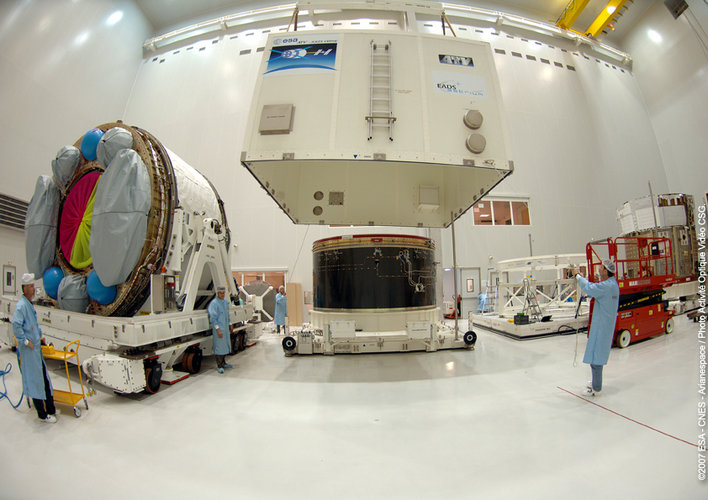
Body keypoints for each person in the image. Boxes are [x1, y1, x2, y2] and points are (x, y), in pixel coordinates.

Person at [12, 273, 57, 423]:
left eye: (33, 286)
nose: (33, 289)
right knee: (35, 381)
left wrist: (40, 337)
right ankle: (42, 415)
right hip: (29, 351)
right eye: (31, 286)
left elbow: (33, 326)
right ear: (24, 289)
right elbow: (16, 326)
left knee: (44, 379)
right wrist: (25, 342)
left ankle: (51, 409)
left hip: (36, 349)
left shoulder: (29, 304)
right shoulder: (21, 306)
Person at [574, 259, 620, 396]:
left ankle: (596, 388)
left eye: (601, 268)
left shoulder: (607, 287)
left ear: (606, 270)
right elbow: (595, 290)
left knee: (596, 359)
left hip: (602, 327)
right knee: (596, 356)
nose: (599, 270)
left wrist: (577, 276)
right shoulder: (612, 285)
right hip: (604, 325)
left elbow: (590, 288)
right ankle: (595, 383)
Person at [207, 286, 234, 374]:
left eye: (223, 293)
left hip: (225, 328)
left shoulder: (225, 303)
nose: (222, 294)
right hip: (219, 328)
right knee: (219, 347)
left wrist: (230, 325)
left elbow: (227, 316)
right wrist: (218, 329)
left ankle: (224, 363)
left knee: (225, 346)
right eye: (221, 293)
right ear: (217, 293)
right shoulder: (214, 304)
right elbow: (213, 318)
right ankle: (219, 365)